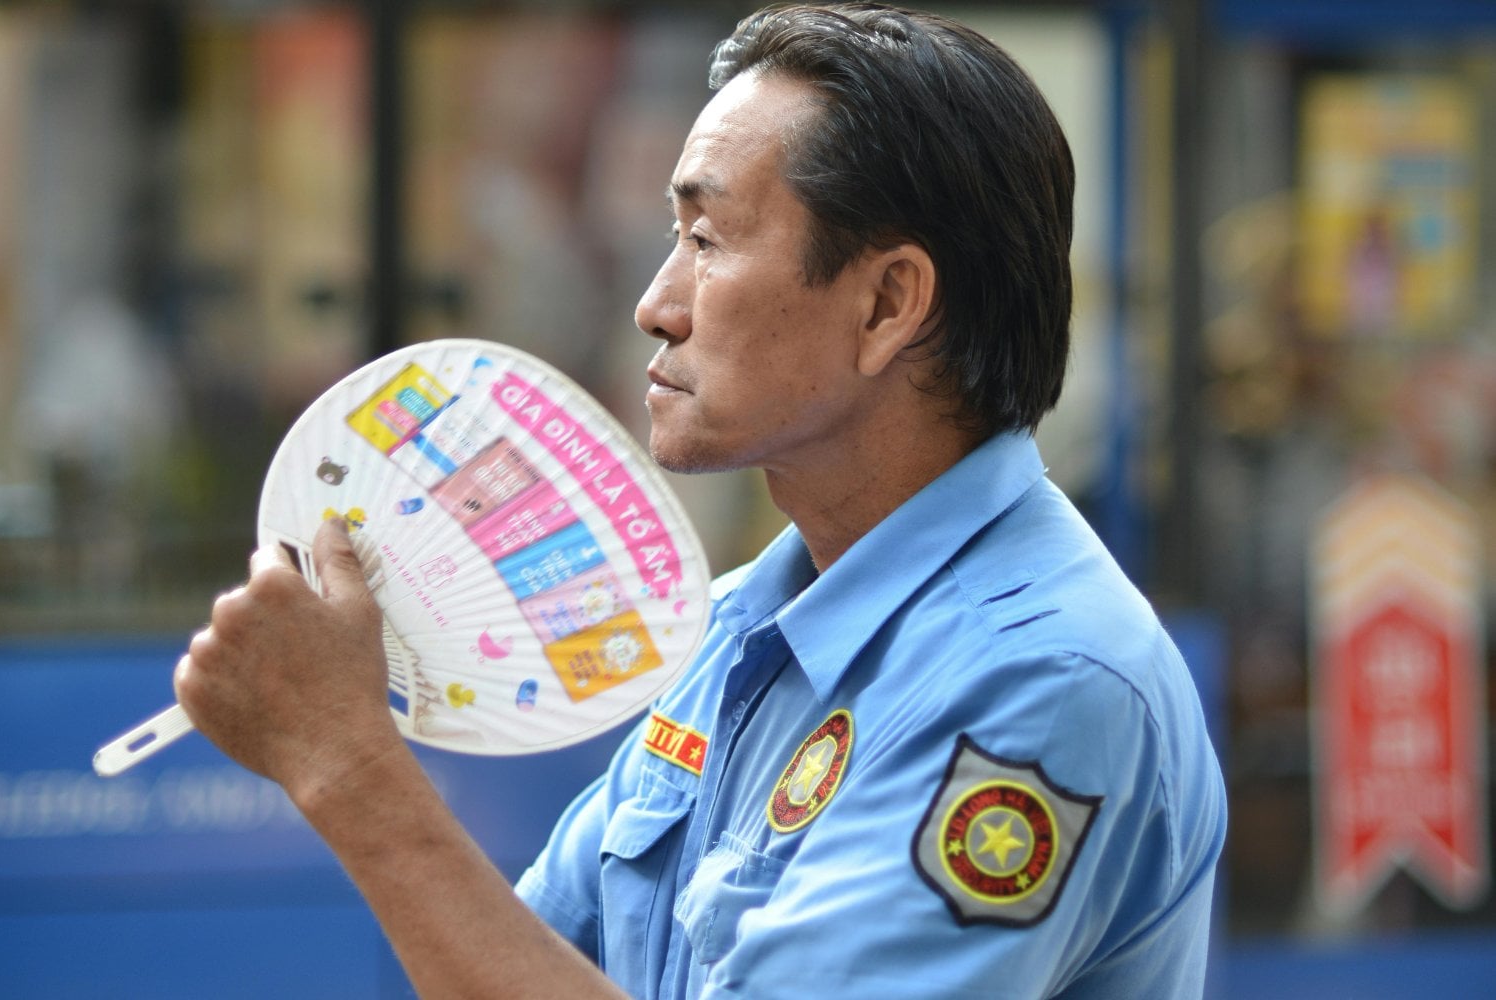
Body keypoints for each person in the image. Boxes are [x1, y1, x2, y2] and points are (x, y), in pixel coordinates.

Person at [175, 4, 1227, 998]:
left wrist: (347, 764)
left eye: (708, 240)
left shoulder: (1043, 683)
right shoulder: (740, 630)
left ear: (887, 303)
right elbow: (520, 957)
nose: (655, 303)